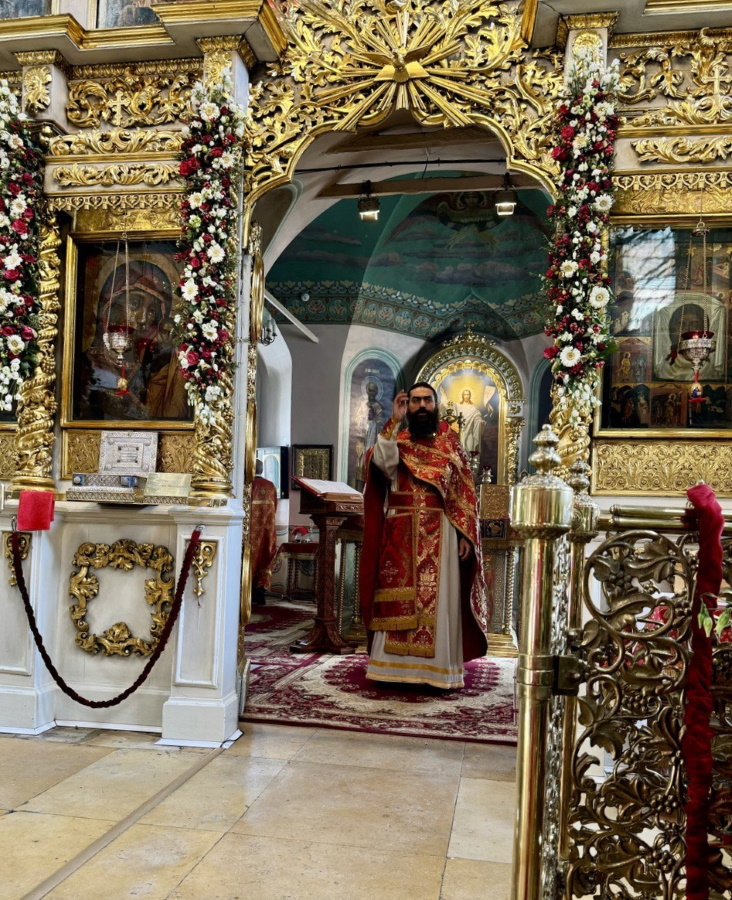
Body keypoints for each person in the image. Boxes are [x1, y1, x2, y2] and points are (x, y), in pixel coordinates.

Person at [359, 382, 489, 689]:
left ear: (435, 404)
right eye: (414, 401)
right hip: (400, 531)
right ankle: (391, 669)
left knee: (439, 601)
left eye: (426, 401)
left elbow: (464, 493)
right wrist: (393, 420)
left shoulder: (450, 443)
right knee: (396, 599)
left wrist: (465, 534)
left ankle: (435, 671)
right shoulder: (398, 439)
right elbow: (383, 463)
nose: (420, 406)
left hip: (441, 531)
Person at [250, 459, 278, 607]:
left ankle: (248, 594)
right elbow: (275, 507)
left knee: (250, 559)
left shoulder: (248, 485)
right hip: (268, 530)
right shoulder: (270, 486)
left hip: (250, 530)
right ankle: (261, 592)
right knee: (265, 557)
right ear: (261, 469)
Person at [453, 388, 486, 455]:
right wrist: (444, 395)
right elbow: (450, 407)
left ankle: (471, 462)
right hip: (460, 433)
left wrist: (480, 422)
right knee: (460, 451)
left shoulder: (473, 407)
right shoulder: (458, 406)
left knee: (470, 449)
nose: (466, 396)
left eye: (468, 394)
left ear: (470, 396)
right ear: (462, 396)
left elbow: (477, 418)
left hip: (470, 433)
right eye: (465, 394)